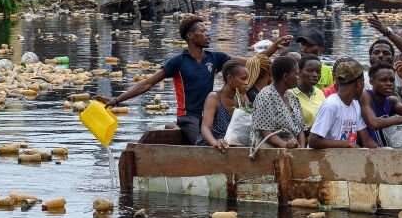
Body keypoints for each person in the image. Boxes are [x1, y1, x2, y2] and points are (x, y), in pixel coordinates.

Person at [107, 15, 229, 145]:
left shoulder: (215, 58)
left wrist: (254, 56)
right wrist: (116, 100)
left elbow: (242, 66)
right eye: (203, 31)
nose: (207, 34)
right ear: (190, 36)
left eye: (207, 31)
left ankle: (173, 127)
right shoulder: (178, 62)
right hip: (188, 117)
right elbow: (148, 83)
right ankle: (175, 127)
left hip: (209, 116)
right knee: (203, 145)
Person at [309, 60, 378, 148]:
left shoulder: (355, 104)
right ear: (359, 84)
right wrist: (346, 144)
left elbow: (366, 140)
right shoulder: (331, 105)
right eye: (363, 82)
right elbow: (313, 141)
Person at [251, 55, 307, 149]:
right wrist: (286, 145)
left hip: (294, 150)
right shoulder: (265, 96)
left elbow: (300, 130)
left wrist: (301, 149)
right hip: (271, 152)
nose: (298, 77)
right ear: (285, 76)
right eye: (296, 74)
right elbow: (266, 133)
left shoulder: (292, 97)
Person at [360, 61, 402, 146]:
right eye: (383, 80)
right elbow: (373, 123)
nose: (389, 84)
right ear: (371, 81)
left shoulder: (392, 100)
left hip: (383, 146)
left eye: (392, 80)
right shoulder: (365, 95)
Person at [199, 58, 250, 151]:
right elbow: (205, 127)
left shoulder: (242, 97)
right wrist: (215, 143)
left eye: (247, 79)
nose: (247, 82)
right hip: (212, 147)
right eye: (243, 79)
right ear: (229, 78)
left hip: (233, 145)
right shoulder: (214, 97)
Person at [292, 54, 326, 127]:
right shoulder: (289, 94)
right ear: (299, 71)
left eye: (318, 71)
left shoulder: (319, 93)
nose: (315, 75)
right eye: (310, 70)